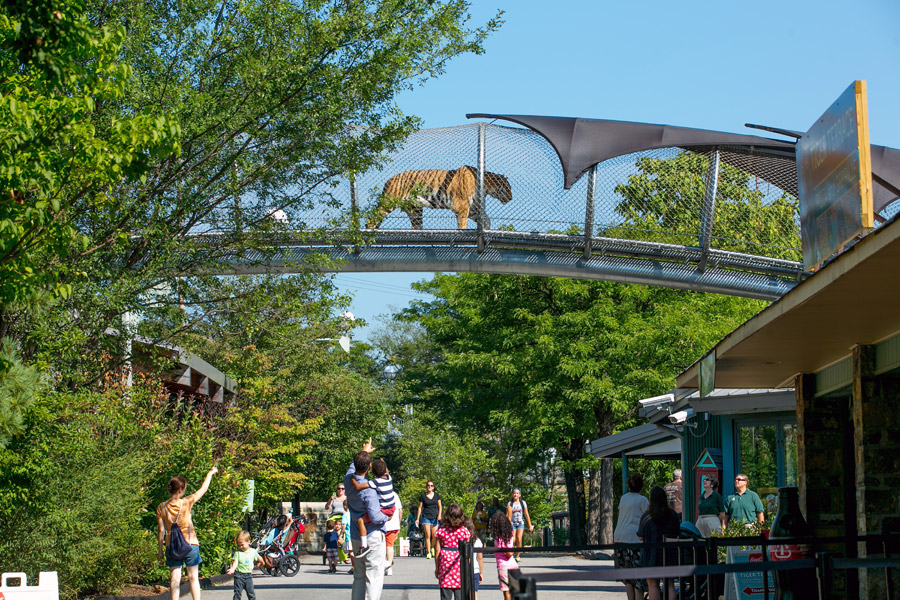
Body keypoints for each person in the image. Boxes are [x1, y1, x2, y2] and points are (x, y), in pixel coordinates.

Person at [156, 466, 218, 600]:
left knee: (174, 578)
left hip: (172, 547)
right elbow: (203, 489)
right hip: (191, 545)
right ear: (180, 490)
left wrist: (160, 550)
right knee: (193, 578)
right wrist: (210, 473)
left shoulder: (161, 507)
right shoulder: (187, 502)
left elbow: (161, 530)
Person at [344, 438, 388, 600]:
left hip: (356, 535)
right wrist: (386, 517)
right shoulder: (369, 489)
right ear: (369, 467)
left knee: (359, 576)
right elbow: (376, 516)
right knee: (374, 576)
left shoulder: (348, 481)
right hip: (372, 536)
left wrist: (363, 452)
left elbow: (351, 468)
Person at [638, 486, 681, 600]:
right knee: (670, 584)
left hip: (651, 553)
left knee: (653, 585)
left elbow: (640, 537)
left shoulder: (647, 516)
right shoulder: (672, 515)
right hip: (670, 553)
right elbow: (677, 532)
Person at [613, 473, 649, 600]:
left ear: (628, 486)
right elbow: (647, 517)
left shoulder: (623, 498)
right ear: (641, 486)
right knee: (638, 576)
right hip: (633, 537)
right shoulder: (643, 500)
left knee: (627, 577)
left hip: (619, 537)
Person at [348, 457, 396, 552]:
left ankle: (364, 544)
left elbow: (358, 487)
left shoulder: (375, 482)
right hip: (392, 507)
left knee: (361, 520)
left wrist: (352, 478)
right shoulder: (388, 478)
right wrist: (383, 462)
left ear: (372, 472)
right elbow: (387, 471)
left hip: (384, 509)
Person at [433, 503, 470, 600]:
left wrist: (437, 567)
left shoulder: (441, 531)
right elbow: (468, 551)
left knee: (445, 595)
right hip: (460, 565)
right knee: (460, 595)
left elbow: (437, 550)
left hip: (445, 565)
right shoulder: (464, 531)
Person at [226, 531, 263, 600]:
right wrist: (232, 569)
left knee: (251, 593)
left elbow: (259, 558)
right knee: (237, 593)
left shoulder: (253, 552)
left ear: (248, 542)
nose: (240, 547)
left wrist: (261, 563)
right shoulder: (238, 553)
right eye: (239, 545)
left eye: (242, 545)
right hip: (239, 576)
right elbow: (235, 562)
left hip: (248, 576)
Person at [489, 511, 517, 600]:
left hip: (503, 567)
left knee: (507, 591)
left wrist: (504, 548)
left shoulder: (499, 539)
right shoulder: (509, 535)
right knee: (515, 590)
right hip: (513, 565)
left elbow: (509, 553)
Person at [415, 480, 443, 559]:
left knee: (435, 535)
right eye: (428, 485)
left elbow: (440, 506)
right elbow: (420, 508)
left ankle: (432, 548)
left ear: (433, 487)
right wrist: (417, 518)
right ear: (426, 487)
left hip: (434, 517)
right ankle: (428, 552)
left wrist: (439, 515)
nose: (429, 487)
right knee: (428, 535)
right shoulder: (423, 496)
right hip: (426, 517)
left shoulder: (437, 496)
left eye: (431, 485)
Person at [506, 488, 533, 560]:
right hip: (512, 524)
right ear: (512, 494)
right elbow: (508, 515)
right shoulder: (510, 504)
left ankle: (518, 555)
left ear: (520, 495)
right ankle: (511, 554)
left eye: (517, 493)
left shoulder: (523, 503)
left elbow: (526, 514)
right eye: (514, 493)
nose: (515, 495)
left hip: (520, 523)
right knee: (513, 540)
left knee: (519, 539)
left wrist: (530, 525)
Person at [383, 491, 402, 576]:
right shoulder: (394, 494)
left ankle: (385, 564)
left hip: (381, 523)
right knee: (389, 545)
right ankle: (389, 565)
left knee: (381, 545)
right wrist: (399, 523)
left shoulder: (377, 493)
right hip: (393, 524)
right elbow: (400, 511)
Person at [465, 518, 484, 600]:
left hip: (463, 570)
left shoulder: (461, 540)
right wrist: (481, 572)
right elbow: (480, 558)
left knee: (463, 594)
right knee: (474, 594)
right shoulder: (477, 541)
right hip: (474, 570)